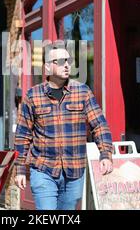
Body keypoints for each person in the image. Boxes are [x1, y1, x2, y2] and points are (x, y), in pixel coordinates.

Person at [14, 41, 114, 210]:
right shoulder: (33, 96)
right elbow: (23, 135)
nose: (66, 65)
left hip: (74, 172)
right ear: (46, 68)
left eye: (67, 60)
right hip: (43, 169)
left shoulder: (82, 92)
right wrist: (20, 169)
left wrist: (105, 154)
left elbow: (99, 125)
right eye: (59, 62)